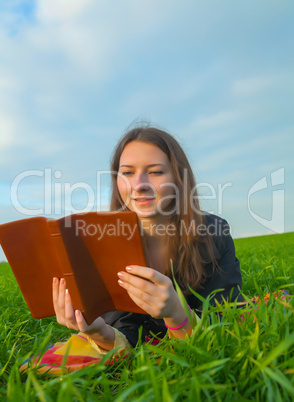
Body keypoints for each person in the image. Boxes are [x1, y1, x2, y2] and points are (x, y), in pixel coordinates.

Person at [52, 126, 243, 353]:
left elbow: (225, 323)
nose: (139, 184)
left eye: (155, 172)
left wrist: (176, 313)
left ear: (178, 178)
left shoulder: (213, 232)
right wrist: (96, 330)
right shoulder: (101, 243)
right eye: (128, 173)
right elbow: (125, 334)